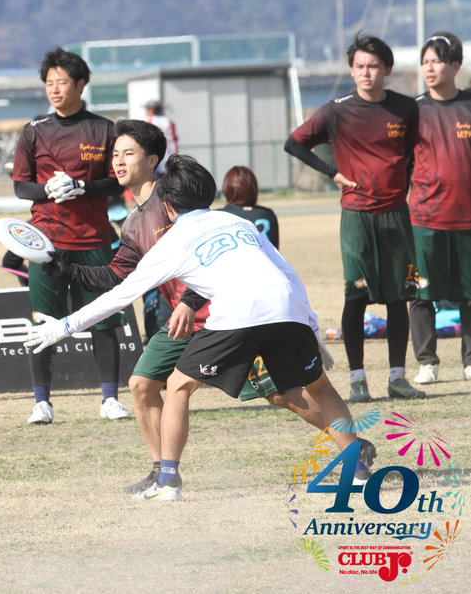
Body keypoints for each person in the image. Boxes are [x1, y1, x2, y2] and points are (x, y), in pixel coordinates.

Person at [25, 154, 370, 501]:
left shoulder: (173, 241)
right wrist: (311, 326)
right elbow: (287, 271)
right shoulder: (238, 222)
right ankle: (358, 471)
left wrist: (63, 326)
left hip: (236, 314)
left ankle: (168, 482)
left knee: (178, 386)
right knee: (320, 387)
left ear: (168, 206)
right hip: (286, 307)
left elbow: (121, 294)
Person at [284, 33, 423, 403]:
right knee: (356, 296)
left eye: (373, 66)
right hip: (357, 217)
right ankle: (357, 380)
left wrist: (405, 182)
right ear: (351, 70)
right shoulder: (336, 110)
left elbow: (412, 152)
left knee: (399, 296)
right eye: (359, 66)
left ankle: (397, 378)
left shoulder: (406, 108)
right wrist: (332, 173)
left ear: (387, 69)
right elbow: (294, 143)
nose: (366, 72)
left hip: (395, 214)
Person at [12, 47, 125, 424]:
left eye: (62, 82)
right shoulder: (34, 130)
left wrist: (82, 187)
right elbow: (20, 186)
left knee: (103, 321)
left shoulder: (105, 130)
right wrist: (47, 190)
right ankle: (41, 403)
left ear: (81, 84)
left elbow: (118, 180)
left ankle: (110, 399)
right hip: (45, 243)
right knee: (43, 322)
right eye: (49, 83)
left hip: (94, 240)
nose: (54, 89)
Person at [408, 31, 471, 385]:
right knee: (422, 293)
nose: (429, 68)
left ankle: (470, 361)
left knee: (469, 293)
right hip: (425, 219)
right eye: (425, 61)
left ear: (455, 65)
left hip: (467, 218)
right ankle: (427, 361)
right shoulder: (413, 110)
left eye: (437, 61)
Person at [218, 165, 279, 248]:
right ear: (253, 188)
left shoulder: (216, 216)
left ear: (226, 188)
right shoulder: (267, 214)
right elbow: (274, 250)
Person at [144, 100, 178, 176]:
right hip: (169, 156)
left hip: (154, 158)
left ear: (151, 110)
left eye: (147, 109)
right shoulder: (169, 121)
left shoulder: (149, 121)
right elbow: (174, 140)